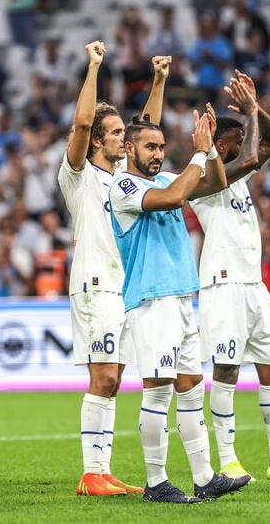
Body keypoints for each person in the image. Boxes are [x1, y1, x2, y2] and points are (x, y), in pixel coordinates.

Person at [109, 103, 248, 503]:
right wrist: (200, 154)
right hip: (151, 300)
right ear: (130, 151)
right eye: (149, 147)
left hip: (182, 297)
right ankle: (156, 482)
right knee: (158, 390)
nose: (156, 154)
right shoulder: (124, 188)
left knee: (190, 388)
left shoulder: (171, 176)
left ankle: (205, 477)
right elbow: (172, 199)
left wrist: (213, 151)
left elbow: (216, 185)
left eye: (161, 147)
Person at [189, 72, 270, 482]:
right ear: (223, 145)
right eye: (239, 137)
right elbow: (250, 156)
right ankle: (227, 458)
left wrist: (256, 108)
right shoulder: (202, 178)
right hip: (222, 286)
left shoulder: (240, 174)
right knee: (227, 371)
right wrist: (247, 112)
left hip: (253, 285)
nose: (246, 142)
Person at [58, 41, 170, 497]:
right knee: (102, 377)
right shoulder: (78, 173)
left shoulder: (123, 173)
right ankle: (90, 473)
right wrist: (93, 67)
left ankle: (101, 471)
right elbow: (83, 121)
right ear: (99, 139)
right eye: (117, 132)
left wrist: (159, 82)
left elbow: (150, 130)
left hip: (123, 286)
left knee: (115, 379)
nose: (125, 138)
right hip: (94, 284)